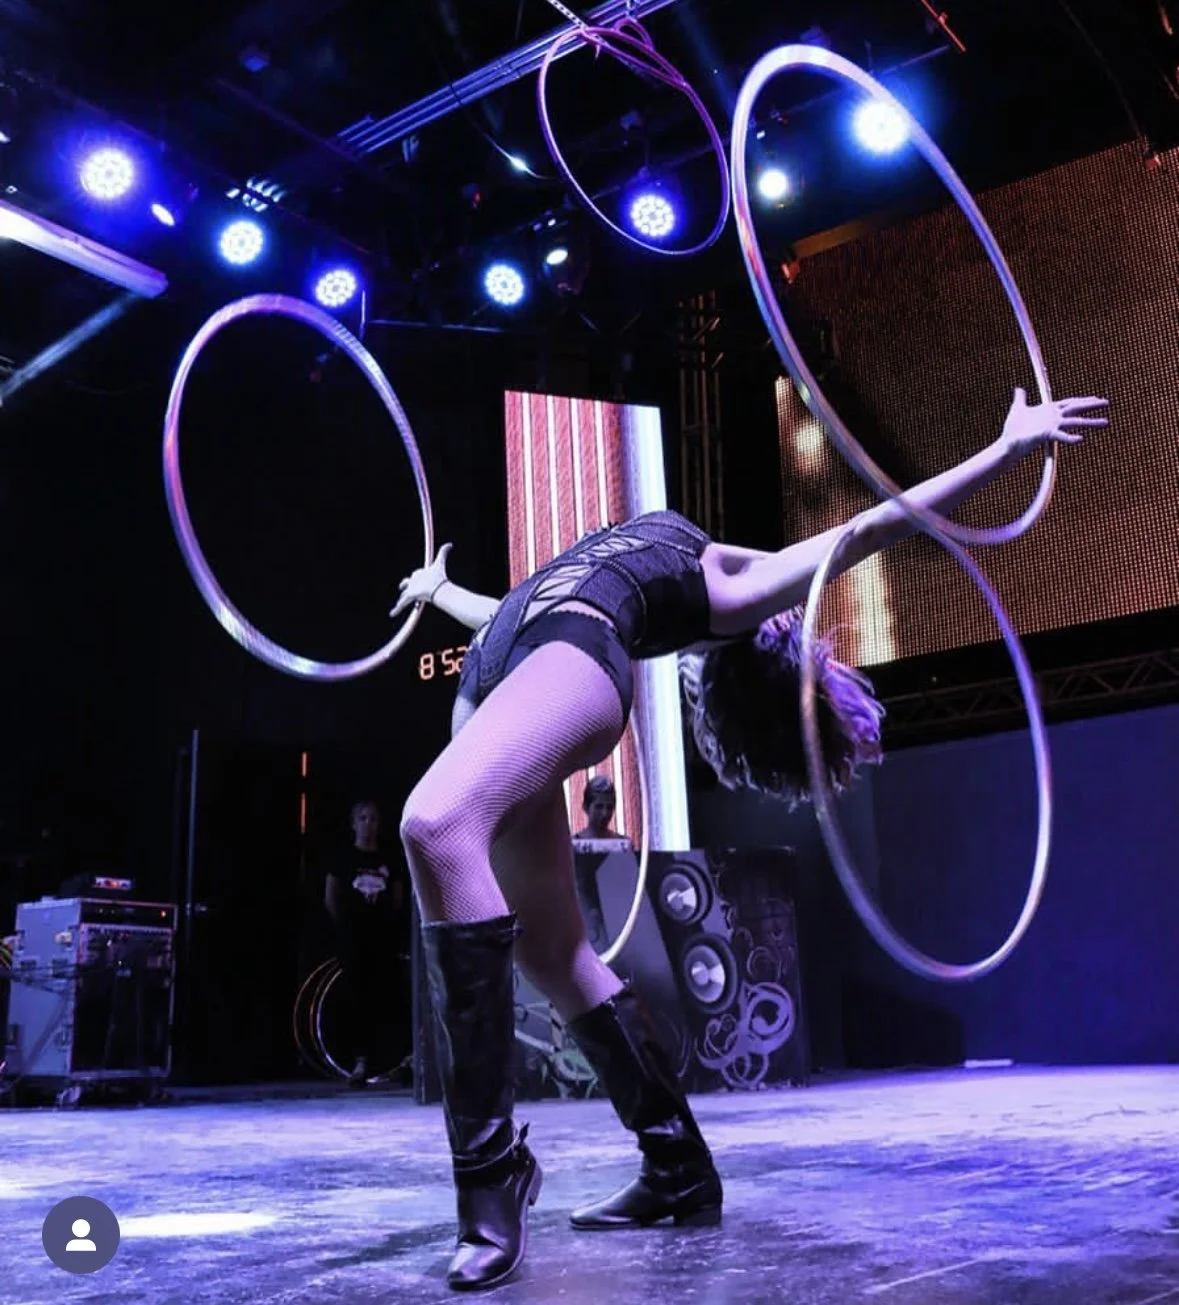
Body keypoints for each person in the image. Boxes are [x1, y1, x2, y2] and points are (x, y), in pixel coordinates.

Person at [390, 387, 1107, 1291]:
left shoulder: (725, 591)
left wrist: (1000, 454)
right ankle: (678, 1167)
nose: (788, 621)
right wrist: (441, 591)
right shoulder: (706, 564)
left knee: (433, 822)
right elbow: (513, 608)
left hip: (567, 665)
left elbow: (863, 533)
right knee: (554, 954)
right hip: (508, 659)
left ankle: (487, 1184)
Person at [324, 800, 410, 1085]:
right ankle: (360, 1061)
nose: (368, 823)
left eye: (373, 818)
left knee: (386, 999)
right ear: (353, 823)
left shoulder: (389, 858)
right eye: (362, 818)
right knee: (356, 998)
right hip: (353, 939)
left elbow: (397, 898)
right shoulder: (343, 857)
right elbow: (331, 897)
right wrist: (346, 927)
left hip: (383, 940)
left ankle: (392, 1062)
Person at [572, 775, 631, 845]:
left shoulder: (623, 845)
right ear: (586, 807)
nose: (605, 813)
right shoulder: (574, 845)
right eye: (599, 807)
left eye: (609, 807)